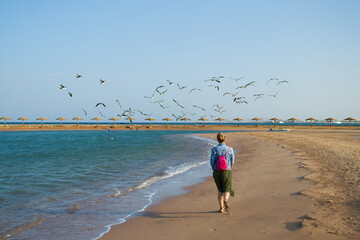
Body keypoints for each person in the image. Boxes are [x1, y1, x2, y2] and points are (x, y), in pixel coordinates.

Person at [210, 132, 235, 214]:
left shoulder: (213, 149)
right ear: (225, 139)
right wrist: (229, 167)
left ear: (217, 139)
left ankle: (221, 208)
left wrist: (214, 168)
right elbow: (232, 161)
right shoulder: (230, 149)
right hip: (226, 171)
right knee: (227, 188)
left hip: (217, 172)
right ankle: (226, 199)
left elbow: (212, 162)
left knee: (220, 190)